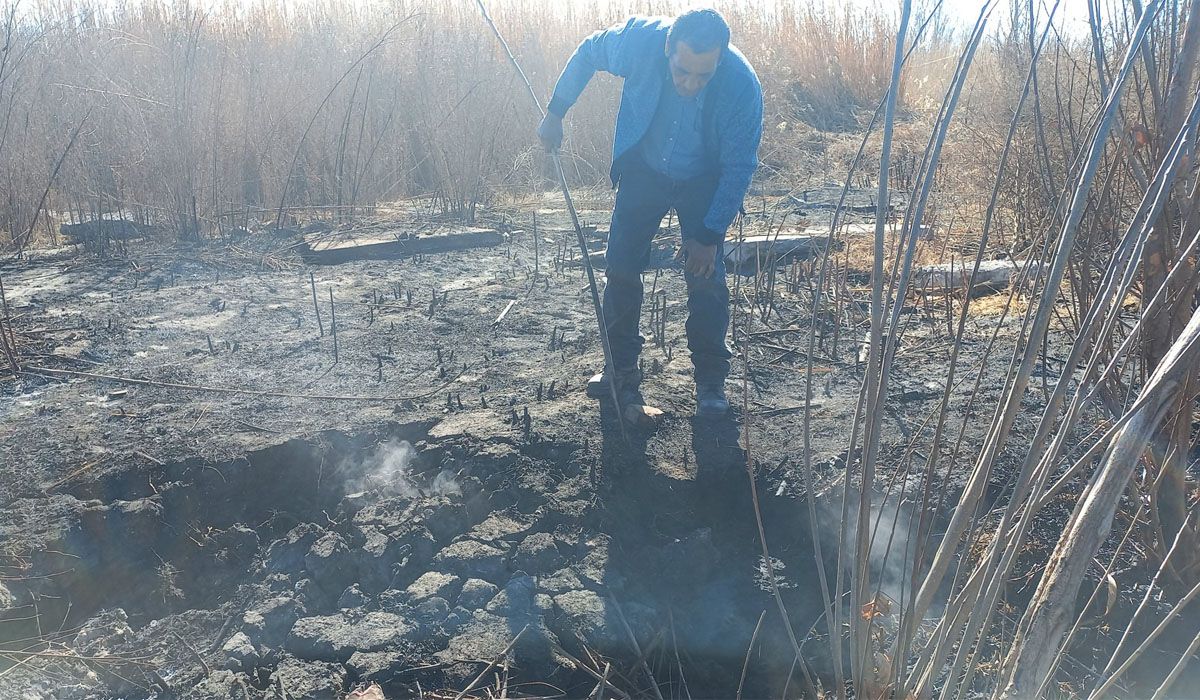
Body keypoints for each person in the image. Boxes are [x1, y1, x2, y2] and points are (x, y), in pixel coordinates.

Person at [538, 8, 763, 418]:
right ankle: (619, 369)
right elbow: (589, 51)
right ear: (667, 50)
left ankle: (711, 382)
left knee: (707, 277)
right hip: (644, 166)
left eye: (703, 76)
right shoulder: (638, 41)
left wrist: (710, 236)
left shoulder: (741, 84)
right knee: (621, 267)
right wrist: (556, 111)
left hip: (703, 177)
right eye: (682, 72)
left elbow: (739, 166)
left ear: (720, 59)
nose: (691, 84)